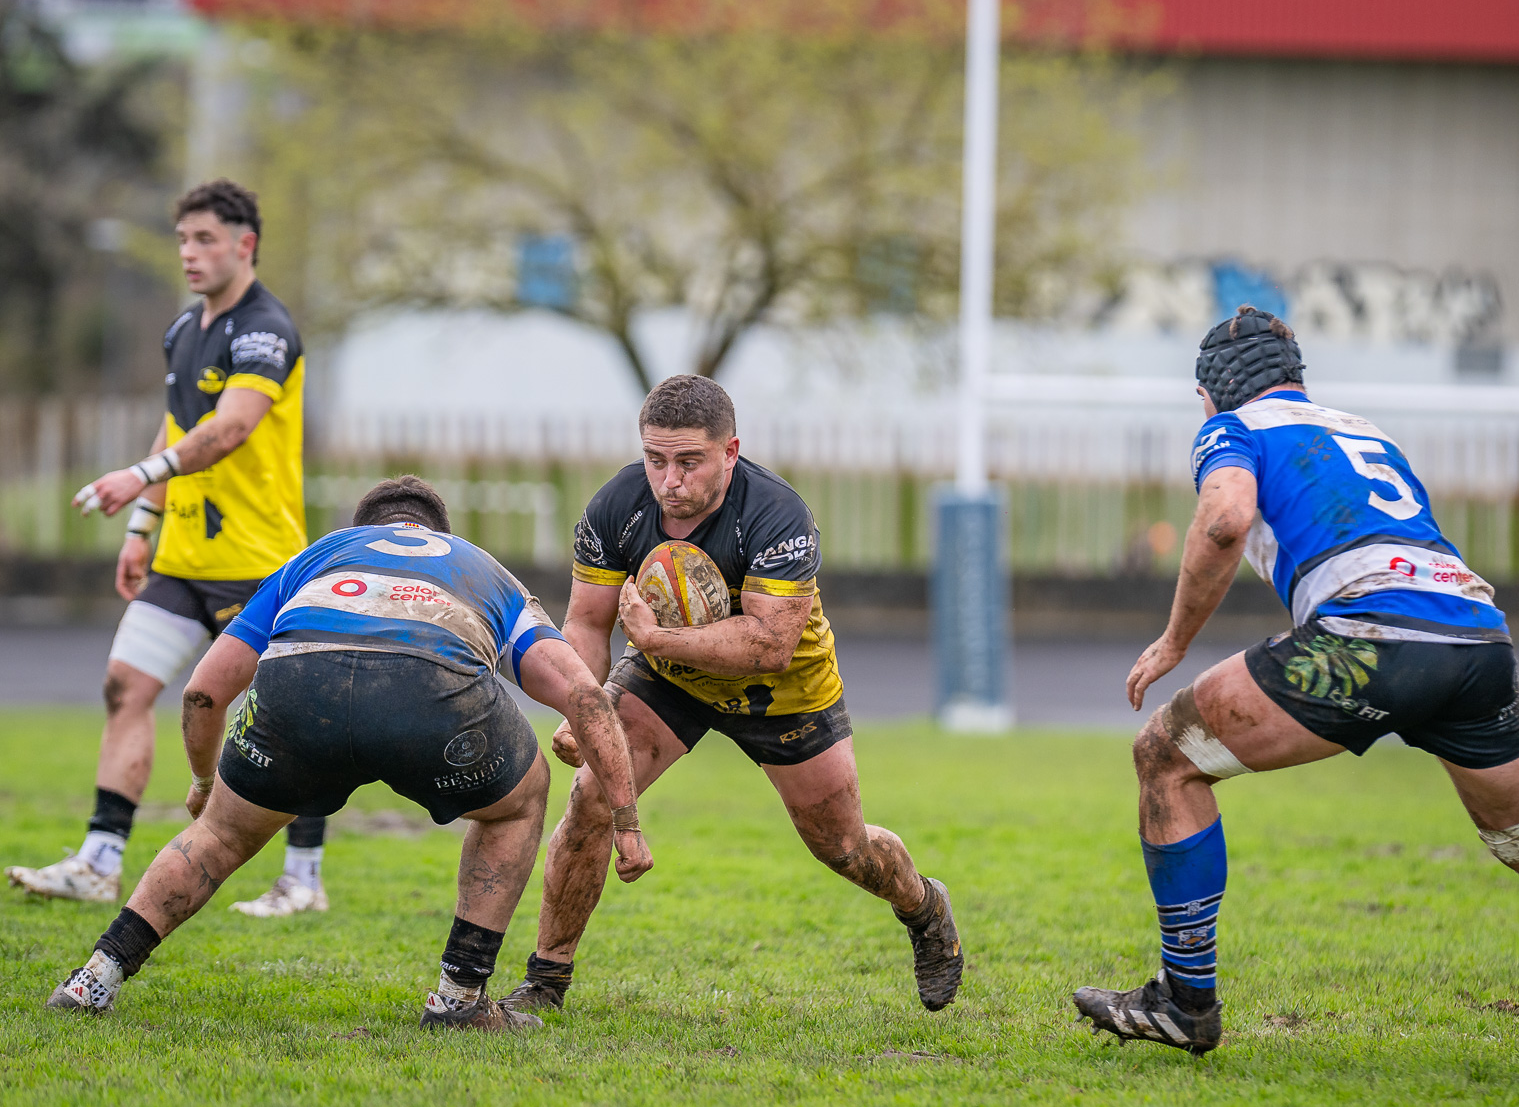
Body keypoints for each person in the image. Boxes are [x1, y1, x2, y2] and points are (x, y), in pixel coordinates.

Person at [1072, 306, 1519, 1076]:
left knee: (1166, 756)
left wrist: (1175, 641)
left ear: (1210, 393)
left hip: (1369, 641)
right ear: (1297, 376)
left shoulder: (1232, 427)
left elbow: (1224, 521)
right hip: (1476, 642)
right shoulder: (1365, 433)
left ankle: (1185, 1002)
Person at [45, 477, 651, 1030]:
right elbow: (585, 698)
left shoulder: (318, 558)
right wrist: (625, 822)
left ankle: (94, 979)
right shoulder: (480, 569)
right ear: (439, 534)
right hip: (431, 695)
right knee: (519, 800)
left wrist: (207, 784)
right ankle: (459, 1000)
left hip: (303, 688)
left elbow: (203, 692)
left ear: (363, 529)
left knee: (220, 835)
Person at [498, 375, 962, 1014]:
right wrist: (585, 702)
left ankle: (924, 906)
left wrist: (655, 640)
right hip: (669, 679)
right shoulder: (617, 506)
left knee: (844, 848)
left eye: (689, 462)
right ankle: (546, 981)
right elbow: (587, 622)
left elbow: (769, 645)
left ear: (730, 452)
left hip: (783, 691)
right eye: (656, 460)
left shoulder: (776, 514)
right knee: (591, 797)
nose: (670, 481)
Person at [6, 179, 331, 917]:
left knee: (285, 717)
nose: (189, 252)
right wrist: (141, 526)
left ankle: (303, 878)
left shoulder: (266, 329)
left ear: (245, 245)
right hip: (181, 562)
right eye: (182, 238)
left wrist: (138, 475)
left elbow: (232, 427)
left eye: (205, 239)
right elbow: (178, 428)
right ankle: (99, 861)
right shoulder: (184, 328)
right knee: (125, 686)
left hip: (257, 562)